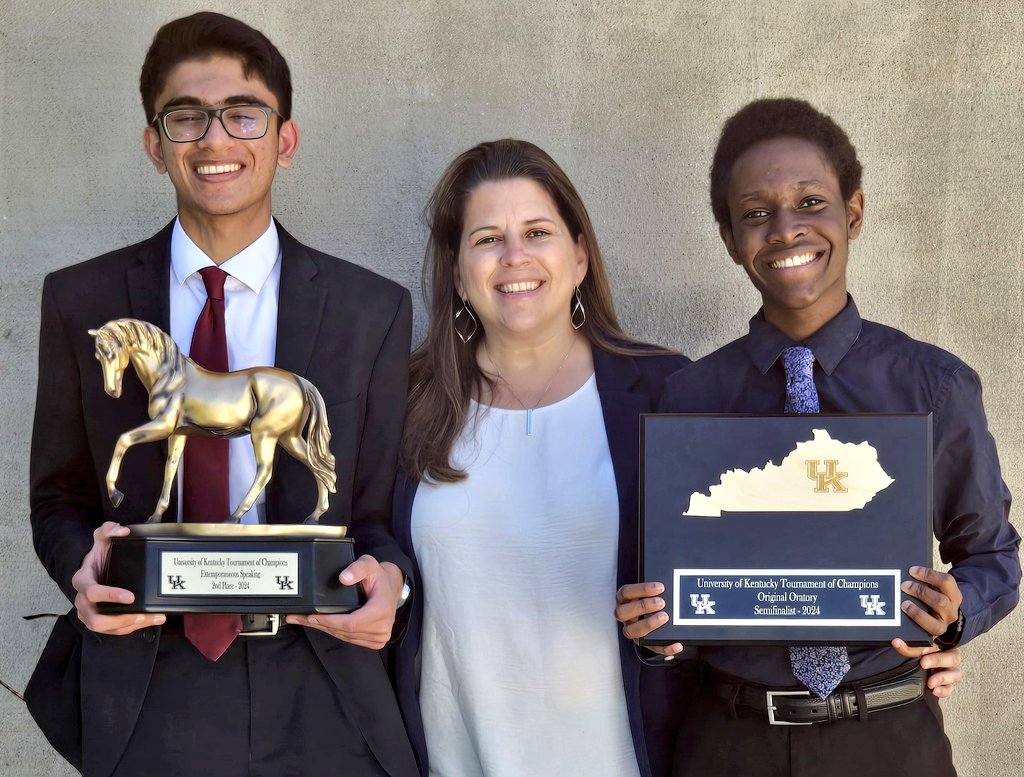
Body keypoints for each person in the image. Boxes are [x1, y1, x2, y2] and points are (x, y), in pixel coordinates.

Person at [26, 12, 418, 777]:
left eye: (243, 113)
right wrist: (83, 570)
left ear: (285, 139)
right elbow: (58, 500)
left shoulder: (373, 309)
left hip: (321, 680)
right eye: (186, 117)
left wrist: (391, 583)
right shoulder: (81, 299)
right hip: (147, 684)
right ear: (155, 144)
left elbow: (376, 514)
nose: (215, 139)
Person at [616, 98, 1020, 777]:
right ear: (729, 236)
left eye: (810, 202)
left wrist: (957, 611)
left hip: (889, 737)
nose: (784, 229)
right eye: (755, 213)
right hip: (729, 741)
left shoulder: (934, 387)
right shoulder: (689, 400)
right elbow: (661, 585)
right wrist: (654, 634)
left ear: (852, 213)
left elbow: (995, 556)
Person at [390, 138, 696, 777]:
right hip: (455, 761)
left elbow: (737, 571)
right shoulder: (401, 401)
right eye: (486, 239)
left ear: (580, 255)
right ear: (456, 270)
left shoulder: (668, 392)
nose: (514, 258)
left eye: (537, 232)